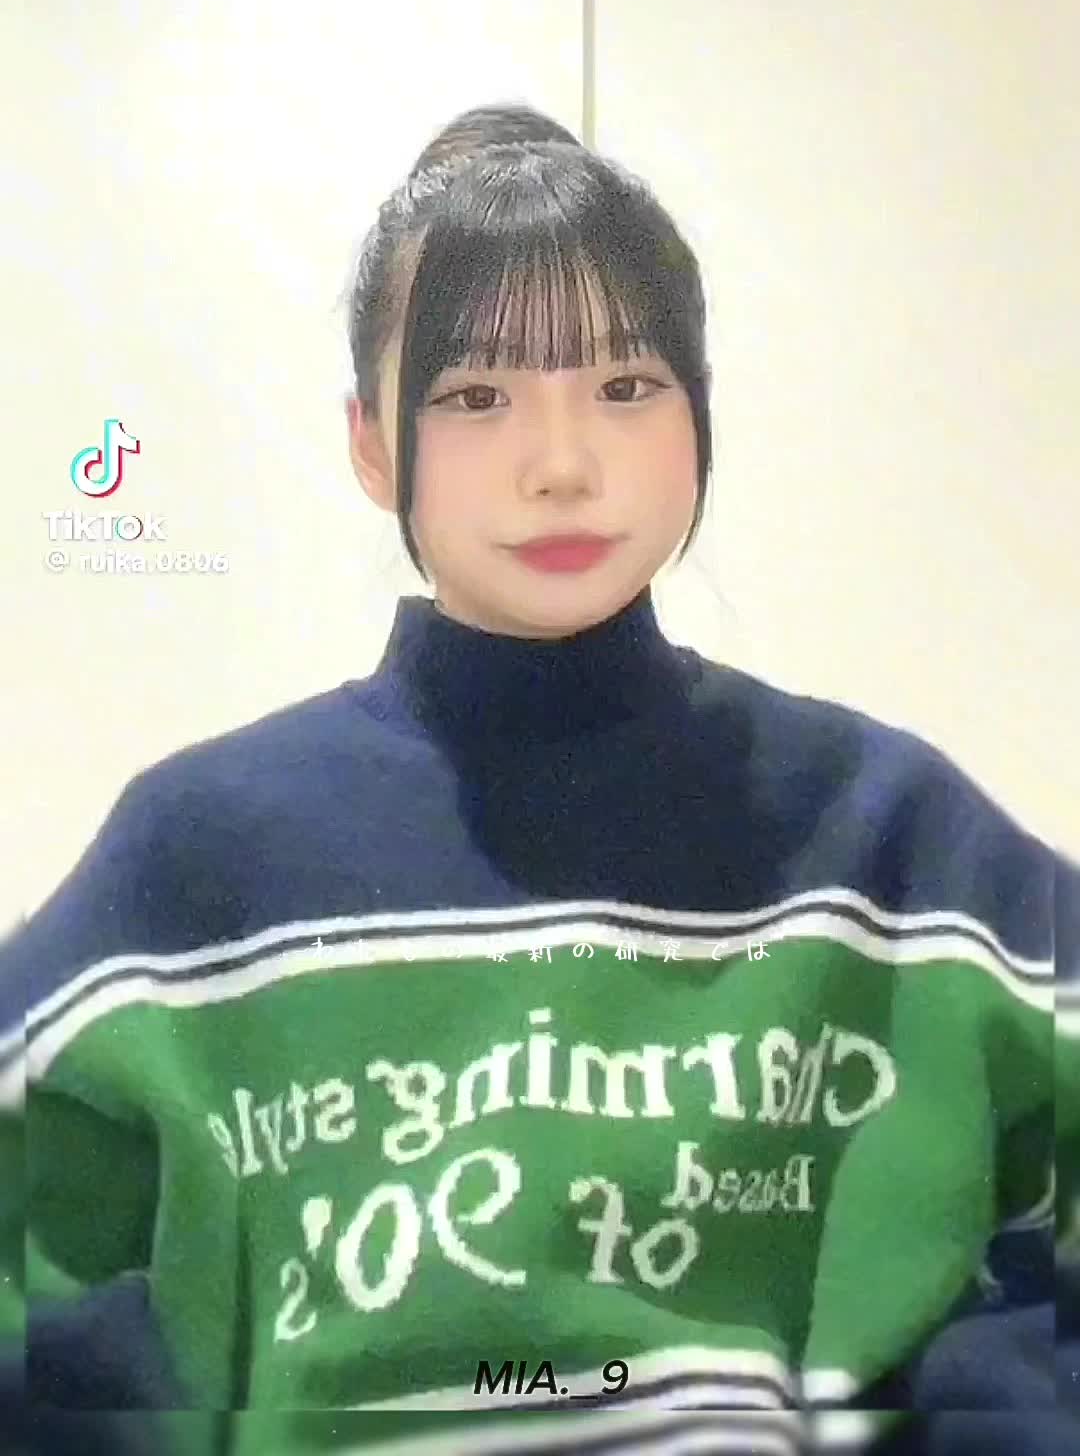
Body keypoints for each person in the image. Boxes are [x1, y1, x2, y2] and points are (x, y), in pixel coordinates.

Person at [1, 102, 1077, 1456]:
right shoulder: (200, 854)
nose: (563, 467)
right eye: (475, 396)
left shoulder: (891, 840)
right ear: (370, 442)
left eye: (626, 386)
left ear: (701, 416)